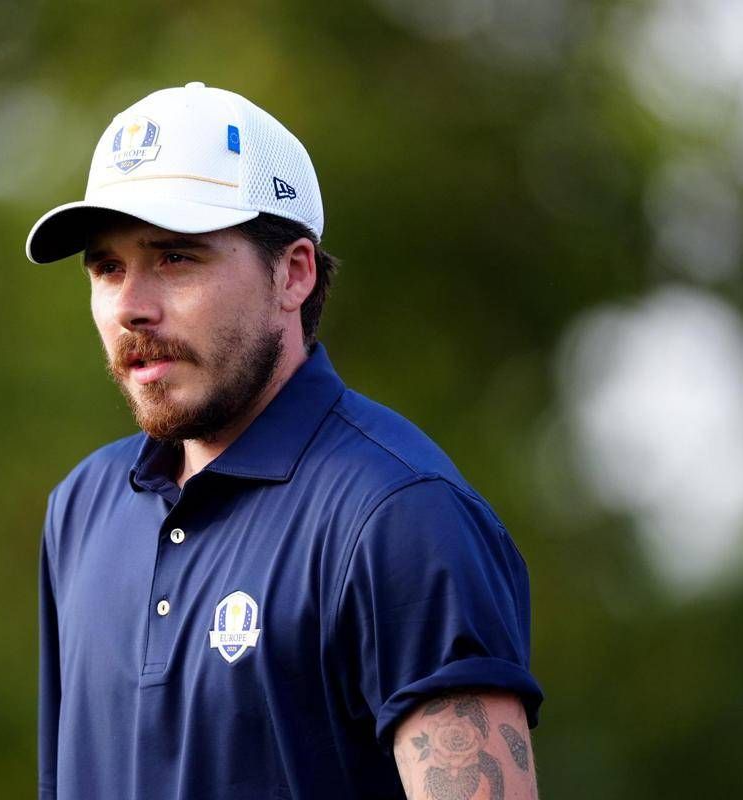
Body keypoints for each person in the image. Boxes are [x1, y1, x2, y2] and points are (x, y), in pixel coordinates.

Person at [27, 81, 542, 800]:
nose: (131, 308)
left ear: (292, 273)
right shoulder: (81, 509)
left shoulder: (401, 516)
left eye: (176, 258)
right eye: (108, 268)